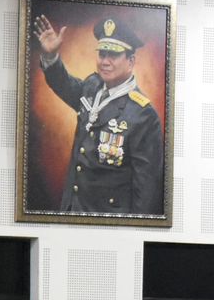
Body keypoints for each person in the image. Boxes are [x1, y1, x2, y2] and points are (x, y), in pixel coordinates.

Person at [31, 14, 163, 216]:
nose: (105, 61)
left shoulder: (143, 115)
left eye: (113, 55)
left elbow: (146, 192)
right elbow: (63, 84)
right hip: (72, 211)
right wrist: (51, 56)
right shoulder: (92, 86)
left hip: (108, 222)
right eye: (102, 54)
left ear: (131, 61)